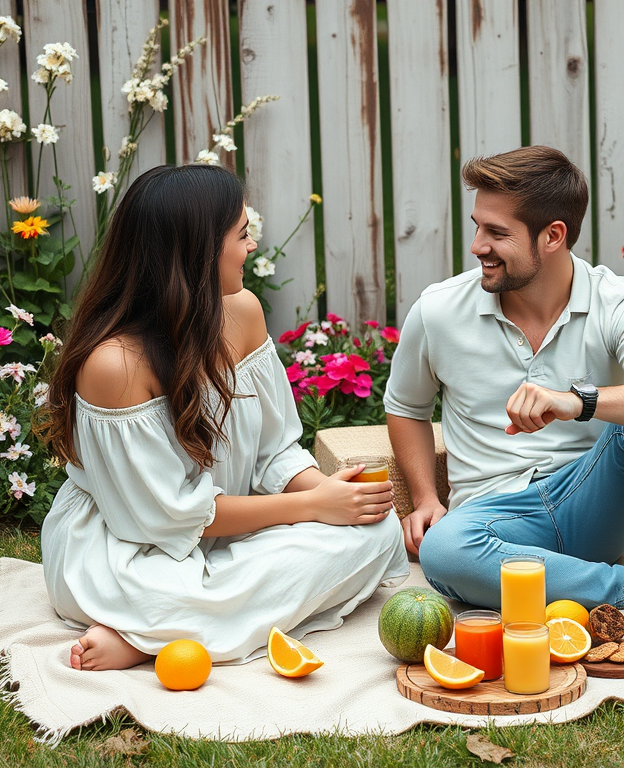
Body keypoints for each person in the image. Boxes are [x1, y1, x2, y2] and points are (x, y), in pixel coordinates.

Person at [40, 164, 408, 671]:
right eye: (240, 234)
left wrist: (330, 494)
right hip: (130, 549)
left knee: (377, 531)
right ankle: (145, 630)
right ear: (193, 254)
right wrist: (313, 508)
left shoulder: (243, 311)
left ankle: (158, 630)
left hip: (226, 534)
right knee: (168, 590)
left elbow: (274, 449)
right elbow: (165, 516)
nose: (252, 246)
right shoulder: (114, 364)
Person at [383, 146, 624, 634]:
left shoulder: (616, 301)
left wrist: (578, 401)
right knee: (444, 550)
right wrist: (426, 496)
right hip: (493, 523)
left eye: (497, 233)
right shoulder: (439, 310)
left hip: (590, 503)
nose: (477, 245)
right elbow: (406, 406)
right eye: (477, 226)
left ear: (553, 235)